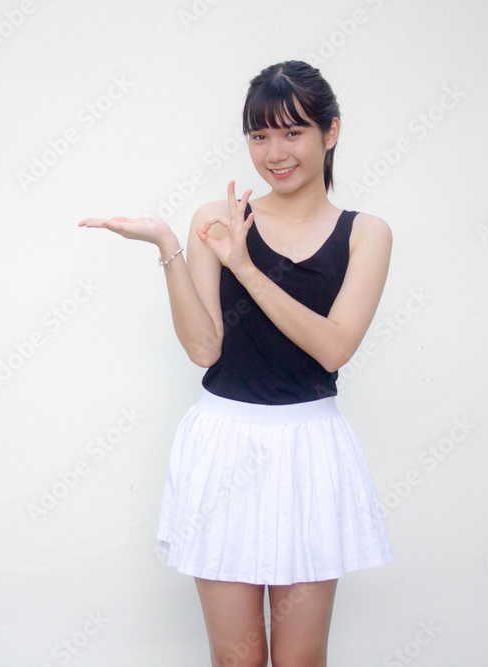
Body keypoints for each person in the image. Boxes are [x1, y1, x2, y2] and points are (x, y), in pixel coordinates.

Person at [78, 60, 395, 667]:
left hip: (310, 448)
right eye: (259, 135)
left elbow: (333, 347)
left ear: (330, 132)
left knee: (300, 659)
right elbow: (204, 349)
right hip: (225, 443)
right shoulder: (216, 221)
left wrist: (246, 268)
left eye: (292, 132)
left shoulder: (365, 233)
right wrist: (170, 245)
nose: (275, 153)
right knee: (235, 660)